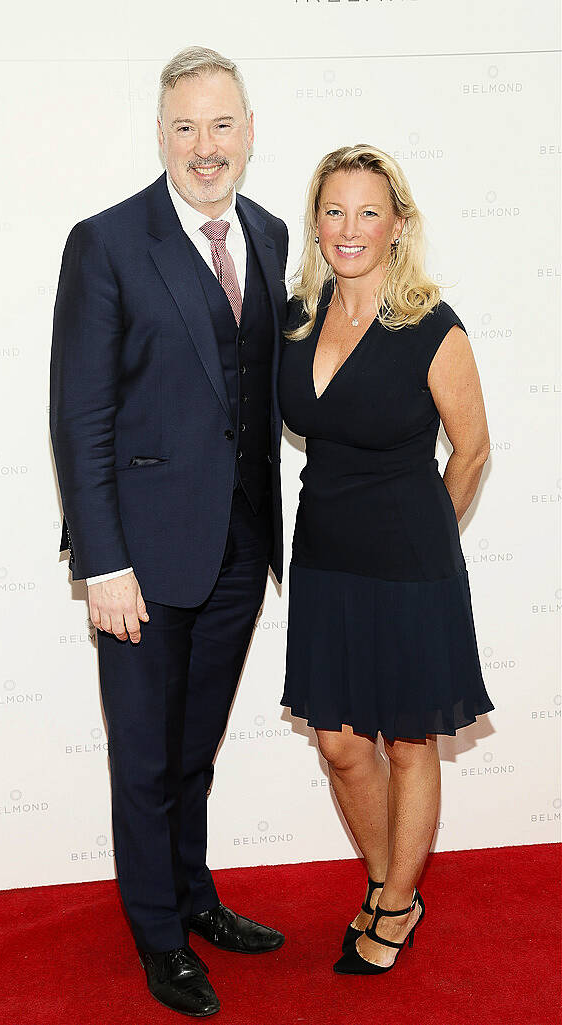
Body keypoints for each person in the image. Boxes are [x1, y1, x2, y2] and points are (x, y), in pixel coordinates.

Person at [50, 46, 288, 1017]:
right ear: (160, 135)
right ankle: (159, 937)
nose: (205, 145)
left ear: (247, 131)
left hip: (238, 548)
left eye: (221, 124)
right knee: (143, 756)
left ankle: (195, 896)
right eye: (185, 126)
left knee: (193, 748)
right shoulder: (107, 240)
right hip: (139, 562)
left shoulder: (271, 234)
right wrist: (101, 559)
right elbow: (81, 415)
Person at [279, 145, 494, 975]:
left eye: (370, 211)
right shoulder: (299, 315)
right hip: (325, 556)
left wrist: (424, 534)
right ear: (317, 223)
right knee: (338, 742)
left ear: (399, 224)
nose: (351, 228)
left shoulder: (433, 326)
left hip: (410, 562)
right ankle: (386, 878)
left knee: (408, 743)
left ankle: (397, 905)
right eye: (335, 211)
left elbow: (471, 451)